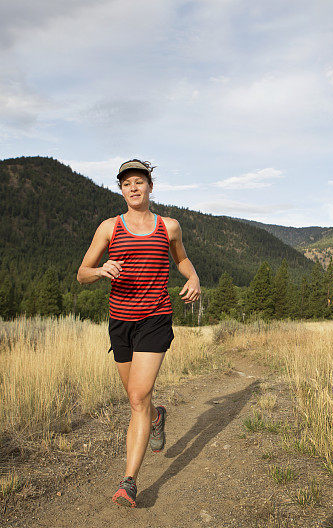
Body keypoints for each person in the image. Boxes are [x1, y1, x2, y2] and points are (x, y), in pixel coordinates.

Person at [76, 158, 201, 508]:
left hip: (155, 318)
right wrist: (101, 270)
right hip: (121, 322)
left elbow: (182, 260)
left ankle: (128, 481)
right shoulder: (109, 227)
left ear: (150, 187)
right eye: (126, 183)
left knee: (136, 399)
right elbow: (81, 273)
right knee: (138, 400)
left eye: (139, 182)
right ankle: (157, 416)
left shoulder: (169, 226)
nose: (133, 188)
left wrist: (193, 278)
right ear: (121, 189)